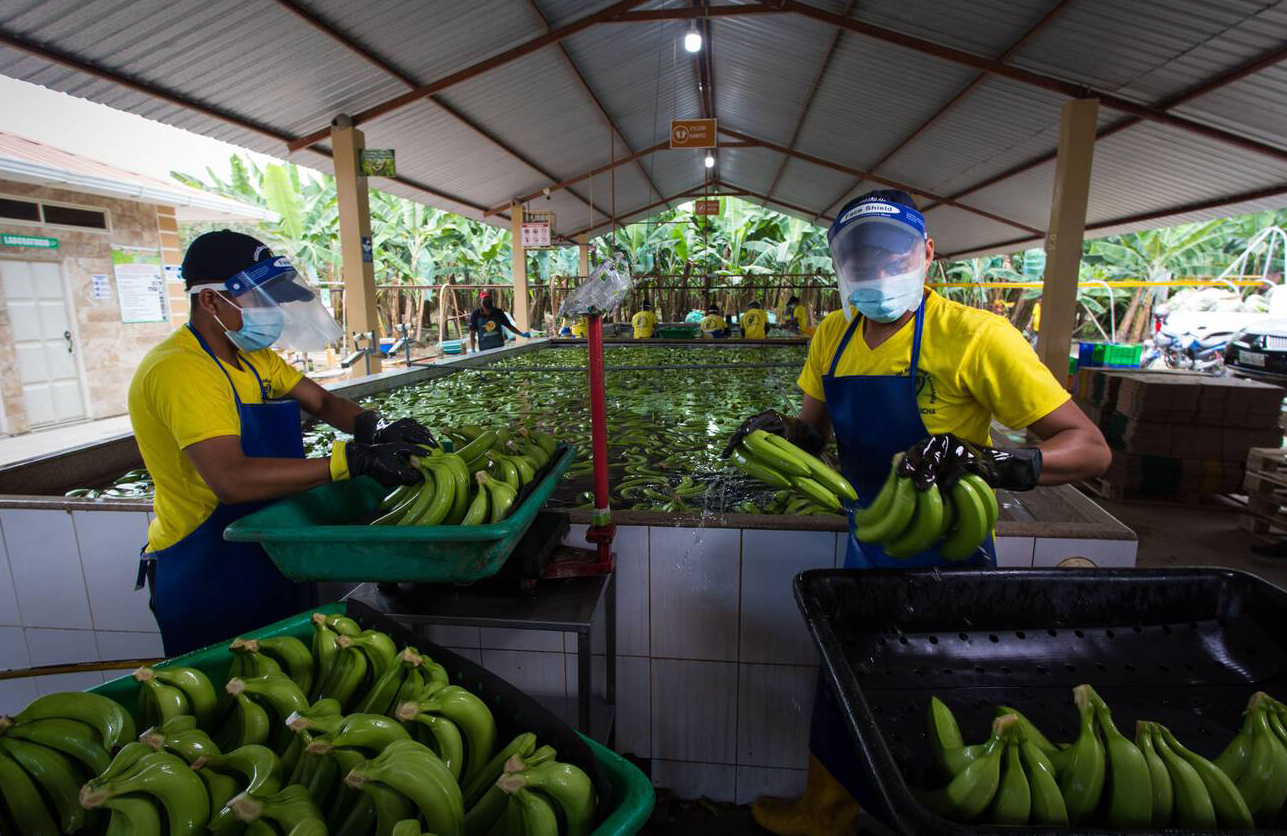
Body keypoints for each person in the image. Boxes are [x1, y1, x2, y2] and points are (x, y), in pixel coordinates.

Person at [725, 190, 1111, 836]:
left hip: (951, 557)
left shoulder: (977, 337)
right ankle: (825, 811)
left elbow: (1089, 447)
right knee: (843, 686)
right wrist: (780, 438)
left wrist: (995, 463)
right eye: (860, 258)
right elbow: (812, 438)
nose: (876, 272)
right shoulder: (833, 335)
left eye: (891, 254)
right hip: (867, 545)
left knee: (943, 695)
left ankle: (939, 818)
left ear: (926, 254)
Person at [128, 231, 434, 656]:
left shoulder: (254, 359)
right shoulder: (181, 371)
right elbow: (231, 480)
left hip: (275, 550)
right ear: (210, 301)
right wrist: (352, 461)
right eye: (259, 298)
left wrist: (374, 426)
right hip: (209, 570)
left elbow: (323, 400)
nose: (272, 310)